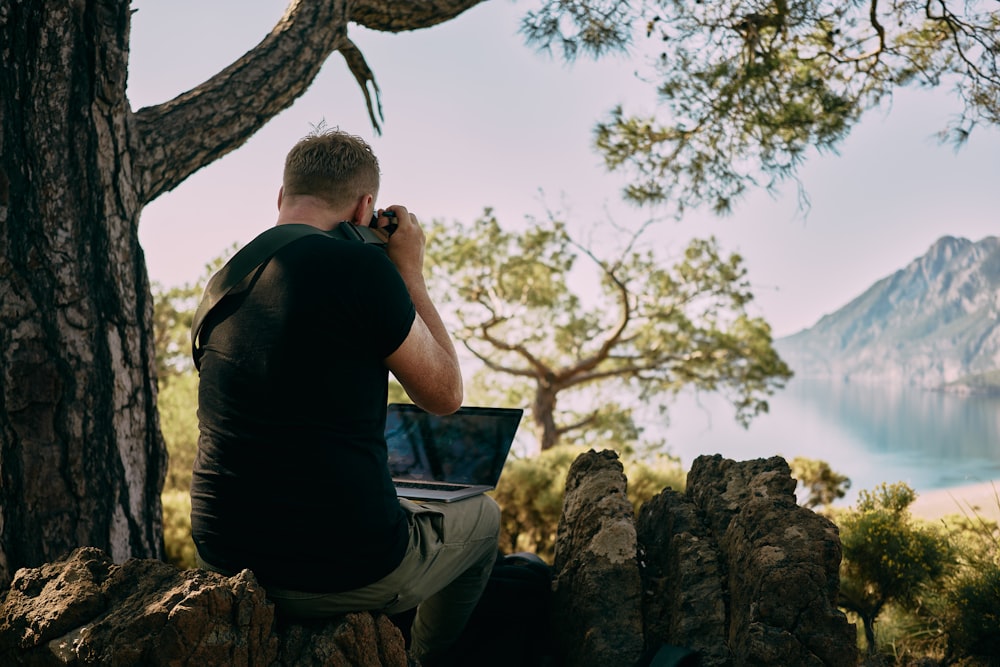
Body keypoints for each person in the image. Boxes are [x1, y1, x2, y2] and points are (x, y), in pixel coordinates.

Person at [190, 128, 501, 665]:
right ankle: (424, 659)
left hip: (226, 555)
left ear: (282, 197)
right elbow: (445, 394)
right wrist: (411, 272)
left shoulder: (223, 283)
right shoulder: (364, 270)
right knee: (485, 518)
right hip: (341, 570)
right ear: (364, 209)